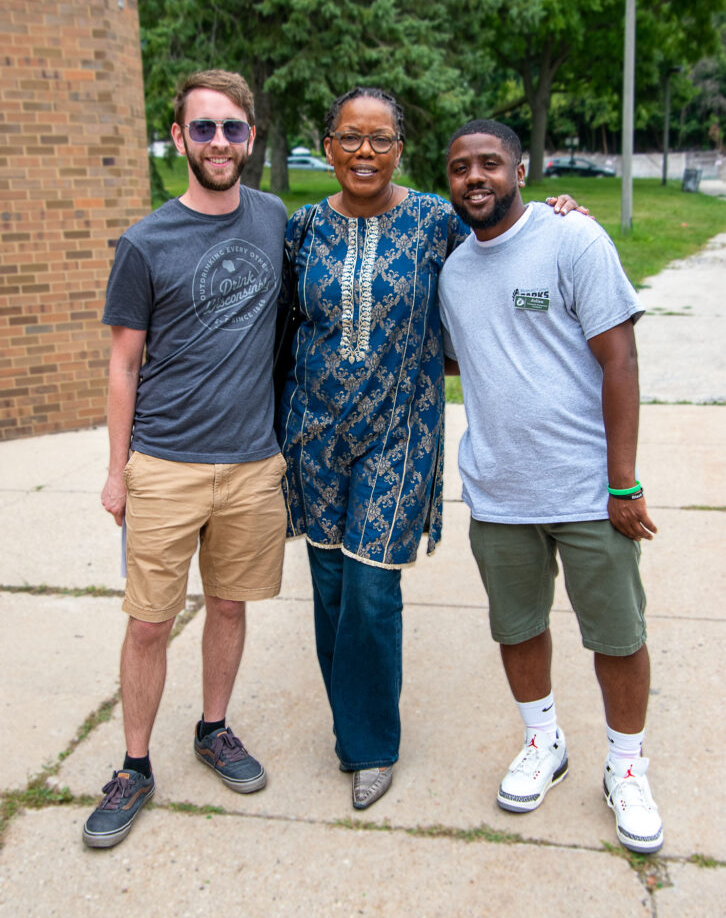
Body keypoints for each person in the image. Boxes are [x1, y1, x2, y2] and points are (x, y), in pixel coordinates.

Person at [276, 87, 583, 810]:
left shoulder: (433, 221)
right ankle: (352, 725)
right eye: (350, 138)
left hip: (399, 434)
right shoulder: (301, 232)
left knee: (373, 589)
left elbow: (503, 240)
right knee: (330, 590)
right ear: (327, 147)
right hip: (315, 436)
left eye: (380, 140)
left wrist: (556, 218)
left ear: (400, 150)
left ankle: (372, 747)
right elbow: (284, 329)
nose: (364, 153)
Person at [439, 119, 663, 854]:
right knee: (518, 627)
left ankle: (626, 768)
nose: (476, 177)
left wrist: (622, 484)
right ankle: (545, 743)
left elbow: (620, 361)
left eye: (491, 164)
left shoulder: (573, 240)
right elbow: (466, 358)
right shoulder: (453, 272)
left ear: (521, 171)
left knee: (617, 636)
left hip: (587, 491)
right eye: (461, 167)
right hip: (500, 492)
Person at [83, 70, 288, 849]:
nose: (219, 143)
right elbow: (121, 366)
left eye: (232, 128)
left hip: (250, 464)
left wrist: (541, 215)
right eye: (203, 129)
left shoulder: (274, 219)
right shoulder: (145, 243)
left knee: (229, 606)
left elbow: (367, 218)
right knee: (147, 625)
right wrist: (116, 470)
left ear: (251, 138)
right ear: (179, 139)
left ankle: (213, 729)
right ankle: (134, 766)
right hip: (164, 464)